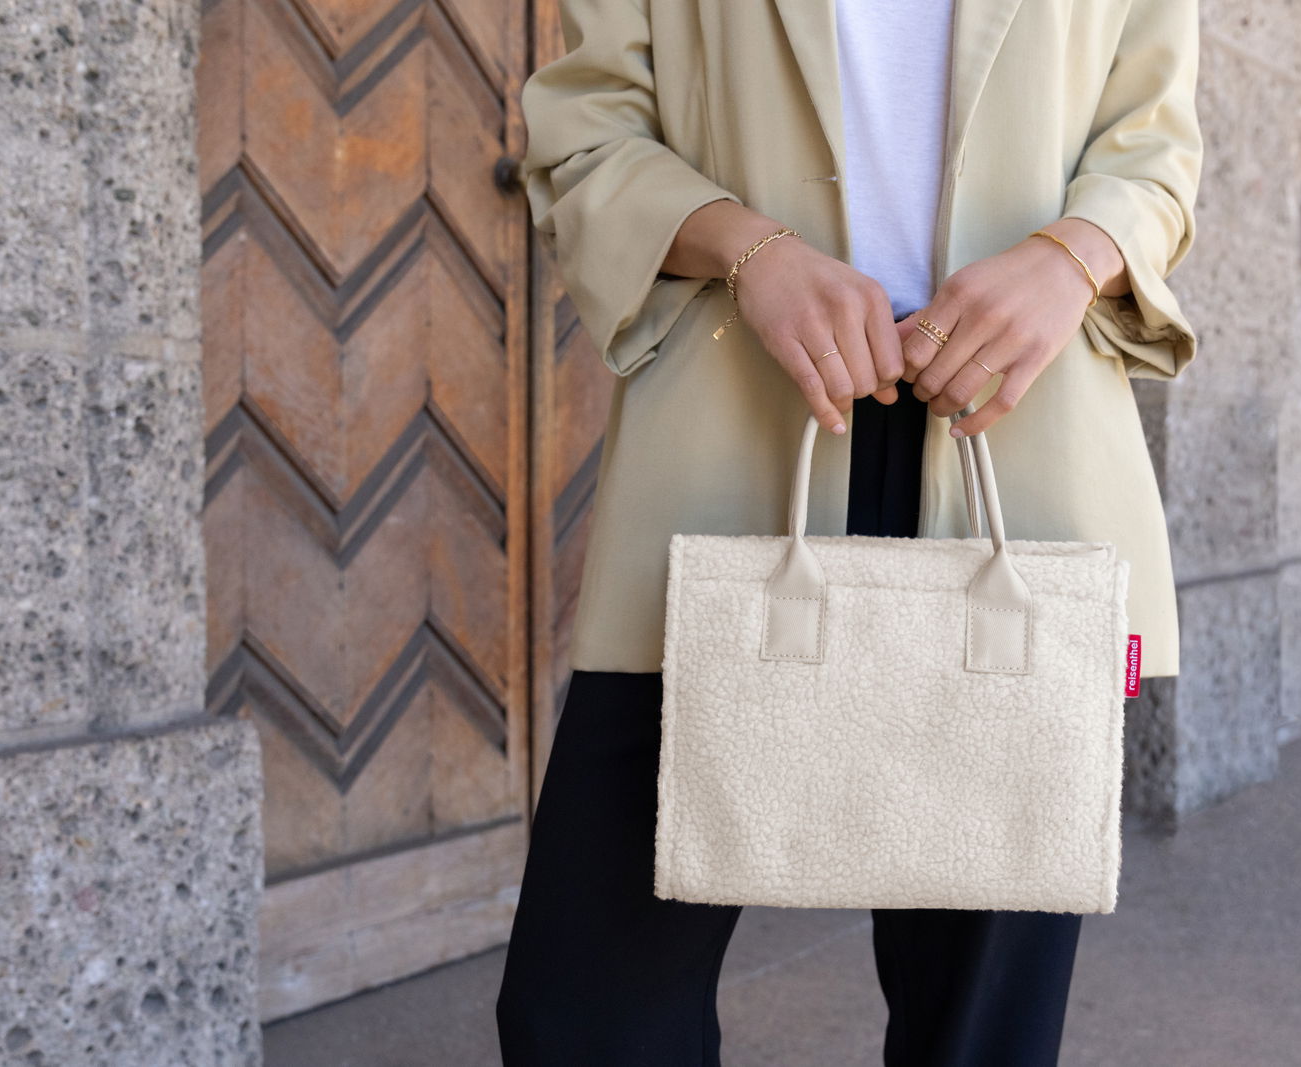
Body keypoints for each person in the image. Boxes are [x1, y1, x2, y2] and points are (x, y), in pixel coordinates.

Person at [498, 0, 1203, 1063]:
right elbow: (586, 130)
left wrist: (1071, 259)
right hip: (735, 441)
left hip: (1012, 448)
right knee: (585, 1001)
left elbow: (1154, 148)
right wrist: (751, 251)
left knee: (978, 1025)